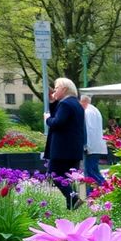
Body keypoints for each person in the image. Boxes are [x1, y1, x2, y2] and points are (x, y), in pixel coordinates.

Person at [43, 77, 86, 210]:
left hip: (62, 150)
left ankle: (73, 198)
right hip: (73, 149)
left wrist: (47, 119)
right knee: (67, 178)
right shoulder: (76, 104)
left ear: (64, 89)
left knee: (54, 174)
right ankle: (71, 206)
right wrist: (53, 101)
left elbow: (57, 122)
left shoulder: (66, 104)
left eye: (56, 88)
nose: (54, 91)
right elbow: (63, 118)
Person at [79, 95, 108, 194]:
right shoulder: (95, 110)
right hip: (97, 145)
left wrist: (86, 145)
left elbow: (88, 129)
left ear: (83, 102)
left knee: (89, 171)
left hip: (90, 146)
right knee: (94, 170)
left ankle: (101, 189)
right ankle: (99, 190)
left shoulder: (87, 112)